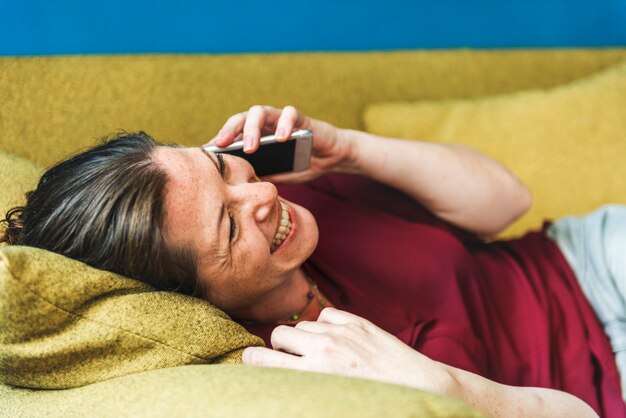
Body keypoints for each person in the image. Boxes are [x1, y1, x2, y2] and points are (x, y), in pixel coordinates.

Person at [1, 105, 623, 417]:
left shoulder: (299, 200)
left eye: (221, 167)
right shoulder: (295, 369)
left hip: (584, 260)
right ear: (193, 296)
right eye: (228, 222)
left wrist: (350, 151)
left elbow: (506, 200)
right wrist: (453, 390)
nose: (265, 196)